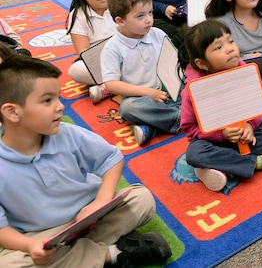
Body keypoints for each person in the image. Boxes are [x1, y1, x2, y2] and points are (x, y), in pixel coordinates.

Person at [0, 55, 171, 267]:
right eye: (47, 100)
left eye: (58, 98)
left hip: (92, 212)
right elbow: (2, 230)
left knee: (141, 198)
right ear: (12, 112)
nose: (60, 107)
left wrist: (101, 200)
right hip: (44, 234)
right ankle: (114, 252)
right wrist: (29, 247)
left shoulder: (67, 133)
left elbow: (112, 159)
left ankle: (79, 254)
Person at [178, 20, 262, 192]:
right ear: (202, 63)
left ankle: (222, 166)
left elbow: (257, 106)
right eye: (218, 48)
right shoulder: (193, 90)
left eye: (230, 41)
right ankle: (258, 163)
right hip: (214, 143)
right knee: (194, 153)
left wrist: (250, 126)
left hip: (245, 137)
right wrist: (221, 134)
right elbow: (190, 129)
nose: (230, 48)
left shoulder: (245, 70)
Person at [101, 0, 181, 146]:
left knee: (198, 88)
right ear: (120, 21)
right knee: (128, 109)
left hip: (170, 92)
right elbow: (111, 84)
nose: (148, 19)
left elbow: (175, 62)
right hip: (142, 98)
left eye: (150, 13)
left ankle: (152, 128)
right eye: (140, 16)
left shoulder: (158, 34)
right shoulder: (112, 48)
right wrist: (149, 93)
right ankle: (186, 117)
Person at [65, 0, 119, 103]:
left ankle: (108, 87)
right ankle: (118, 84)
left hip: (127, 53)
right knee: (76, 70)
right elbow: (83, 51)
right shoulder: (77, 16)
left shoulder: (121, 6)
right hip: (99, 60)